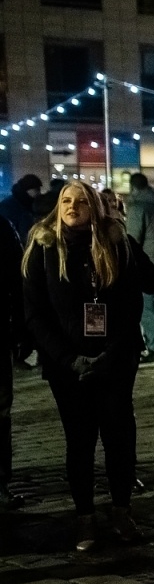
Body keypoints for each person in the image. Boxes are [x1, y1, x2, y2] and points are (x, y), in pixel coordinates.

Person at [23, 180, 154, 549]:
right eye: (65, 200)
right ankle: (85, 517)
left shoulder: (116, 243)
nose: (72, 206)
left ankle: (121, 510)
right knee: (79, 441)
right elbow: (35, 312)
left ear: (95, 207)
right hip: (67, 364)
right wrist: (69, 359)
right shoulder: (44, 246)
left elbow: (136, 300)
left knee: (119, 436)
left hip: (115, 359)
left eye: (81, 201)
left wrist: (112, 354)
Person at [122, 173, 154, 366]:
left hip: (145, 263)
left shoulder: (137, 208)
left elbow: (132, 240)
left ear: (132, 187)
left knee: (145, 308)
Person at [0, 216, 21, 509]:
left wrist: (20, 329)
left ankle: (0, 482)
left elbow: (17, 279)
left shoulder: (2, 226)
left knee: (0, 411)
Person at [1, 175, 42, 247]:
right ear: (28, 189)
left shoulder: (28, 203)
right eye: (37, 189)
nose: (39, 193)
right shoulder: (9, 205)